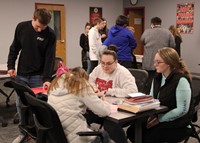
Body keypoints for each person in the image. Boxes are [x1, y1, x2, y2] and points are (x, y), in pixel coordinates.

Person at [7, 8, 56, 143]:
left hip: (38, 77)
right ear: (33, 18)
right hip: (21, 75)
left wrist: (46, 79)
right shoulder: (22, 27)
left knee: (39, 108)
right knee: (20, 105)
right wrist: (11, 66)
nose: (40, 30)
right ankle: (23, 133)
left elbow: (49, 59)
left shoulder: (50, 35)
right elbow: (14, 48)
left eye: (43, 27)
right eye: (38, 26)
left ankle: (41, 135)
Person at [127, 47, 193, 143]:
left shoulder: (181, 80)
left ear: (169, 63)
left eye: (158, 62)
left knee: (149, 137)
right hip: (159, 115)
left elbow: (182, 110)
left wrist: (160, 119)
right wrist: (149, 113)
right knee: (132, 131)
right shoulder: (158, 77)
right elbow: (151, 99)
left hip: (178, 122)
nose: (155, 65)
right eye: (155, 61)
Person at [48, 67, 111, 143]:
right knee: (104, 135)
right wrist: (106, 103)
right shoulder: (81, 84)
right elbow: (104, 111)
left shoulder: (56, 83)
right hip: (76, 138)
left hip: (56, 135)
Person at [141, 17, 175, 94]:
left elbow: (142, 41)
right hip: (163, 60)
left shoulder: (146, 32)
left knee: (149, 81)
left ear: (152, 24)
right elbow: (172, 45)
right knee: (162, 80)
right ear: (160, 23)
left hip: (149, 61)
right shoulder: (167, 32)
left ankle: (149, 96)